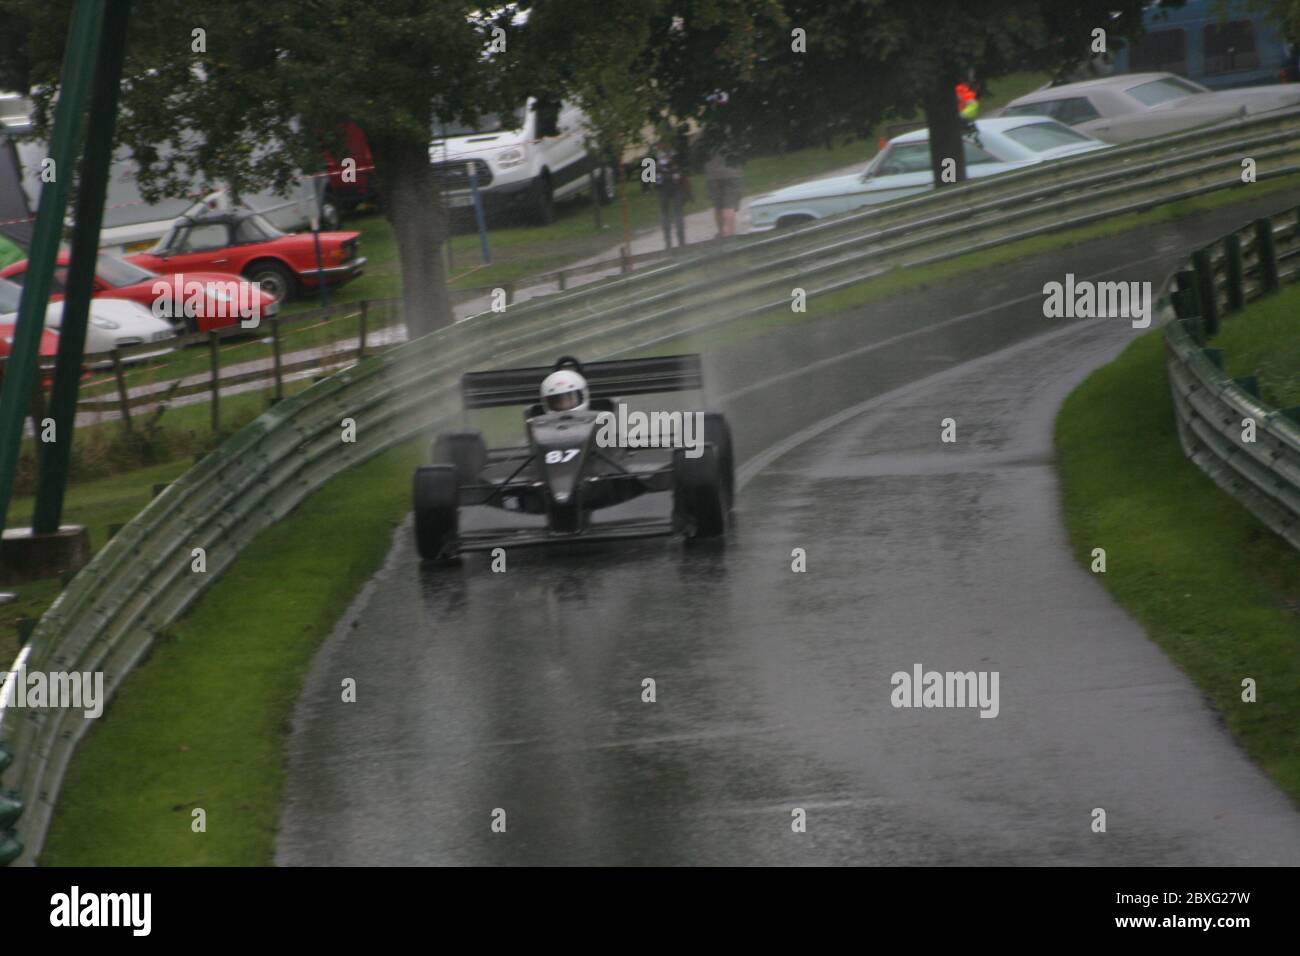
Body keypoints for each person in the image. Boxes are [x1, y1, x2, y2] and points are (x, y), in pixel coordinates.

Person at [702, 90, 743, 239]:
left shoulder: (707, 127)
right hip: (732, 172)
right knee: (729, 206)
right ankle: (729, 235)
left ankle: (721, 233)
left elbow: (700, 149)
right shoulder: (733, 124)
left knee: (718, 207)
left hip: (712, 174)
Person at [652, 136, 690, 250]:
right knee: (671, 214)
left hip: (670, 186)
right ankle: (673, 242)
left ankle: (676, 242)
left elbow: (647, 177)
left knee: (672, 214)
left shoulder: (656, 156)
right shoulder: (673, 154)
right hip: (669, 186)